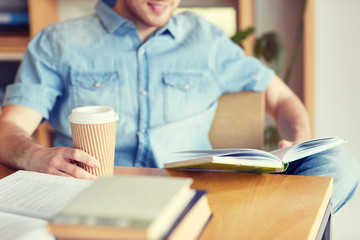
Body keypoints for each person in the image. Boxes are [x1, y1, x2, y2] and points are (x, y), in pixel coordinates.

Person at [0, 0, 358, 213]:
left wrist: (296, 143)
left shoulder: (206, 40)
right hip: (95, 197)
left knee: (338, 163)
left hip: (194, 196)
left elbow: (282, 98)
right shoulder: (59, 42)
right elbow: (8, 129)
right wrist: (36, 156)